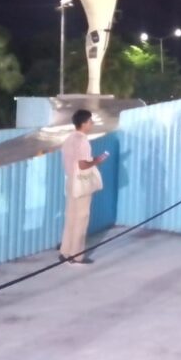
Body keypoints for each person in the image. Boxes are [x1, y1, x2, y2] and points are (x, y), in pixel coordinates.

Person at [60, 109, 108, 265]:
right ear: (83, 123)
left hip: (70, 180)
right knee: (81, 218)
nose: (92, 124)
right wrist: (97, 160)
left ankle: (65, 252)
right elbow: (83, 165)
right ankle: (77, 256)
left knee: (70, 217)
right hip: (81, 183)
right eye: (90, 121)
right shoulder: (83, 141)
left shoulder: (69, 139)